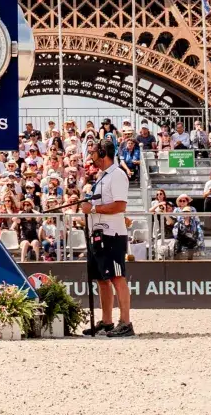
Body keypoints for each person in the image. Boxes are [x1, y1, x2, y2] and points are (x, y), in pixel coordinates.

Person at [80, 139, 134, 337]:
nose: (91, 156)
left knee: (117, 277)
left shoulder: (117, 175)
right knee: (102, 279)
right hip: (99, 234)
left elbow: (120, 206)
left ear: (103, 153)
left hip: (113, 235)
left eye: (94, 152)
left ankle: (126, 322)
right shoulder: (102, 176)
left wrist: (93, 208)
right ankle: (107, 321)